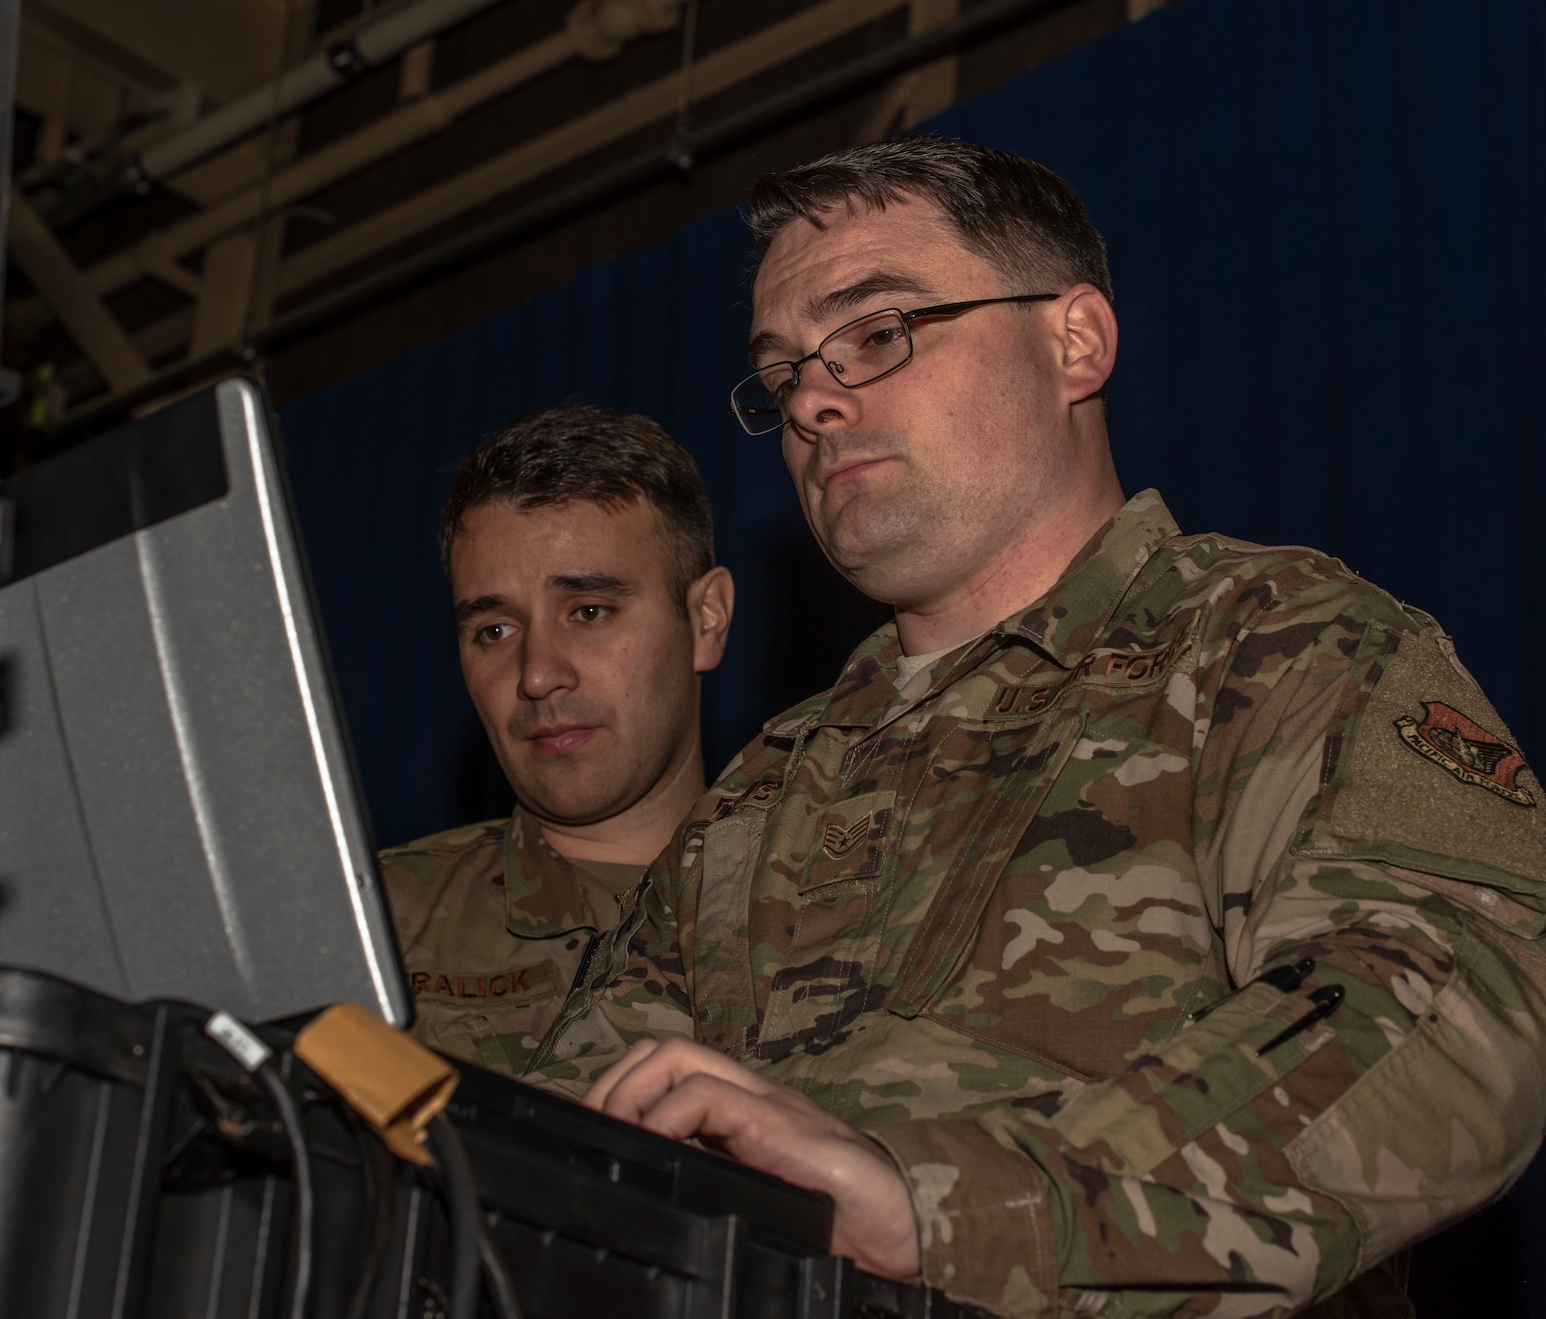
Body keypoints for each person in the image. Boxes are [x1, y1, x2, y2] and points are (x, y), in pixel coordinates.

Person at [530, 135, 1546, 1316]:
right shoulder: (769, 784)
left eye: (877, 332)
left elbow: (1451, 1011)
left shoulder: (1273, 643)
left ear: (1074, 342)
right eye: (783, 372)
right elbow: (571, 1123)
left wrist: (944, 1208)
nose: (811, 398)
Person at [383, 405, 734, 1076]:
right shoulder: (377, 933)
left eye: (590, 612)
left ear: (706, 620)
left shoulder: (828, 915)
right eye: (494, 630)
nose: (538, 674)